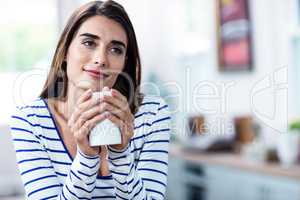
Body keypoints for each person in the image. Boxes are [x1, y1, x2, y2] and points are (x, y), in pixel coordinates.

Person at [9, 1, 171, 199]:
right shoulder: (29, 121)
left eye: (116, 49)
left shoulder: (152, 114)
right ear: (65, 49)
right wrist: (86, 157)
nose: (101, 59)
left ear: (124, 62)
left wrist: (120, 153)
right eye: (89, 43)